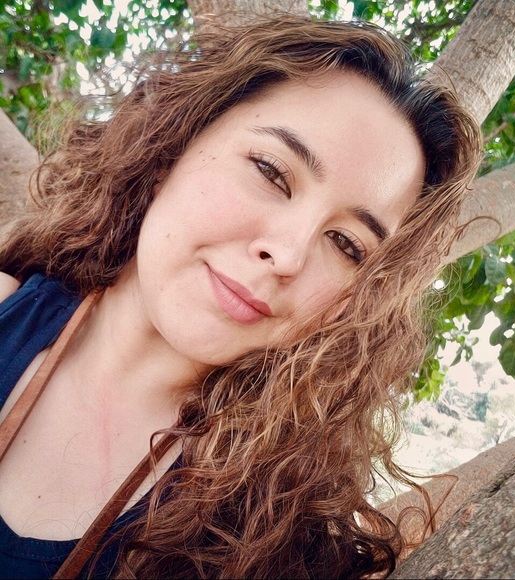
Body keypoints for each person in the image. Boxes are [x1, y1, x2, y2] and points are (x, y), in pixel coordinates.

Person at [0, 14, 481, 579]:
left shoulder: (267, 542)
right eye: (272, 172)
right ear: (171, 146)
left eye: (347, 244)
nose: (289, 254)